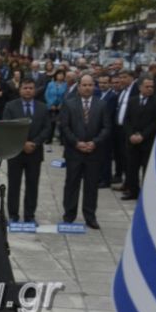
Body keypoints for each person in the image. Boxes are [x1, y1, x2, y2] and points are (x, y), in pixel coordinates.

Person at [59, 74, 112, 229]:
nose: (87, 88)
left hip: (94, 152)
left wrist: (94, 143)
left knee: (91, 185)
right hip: (74, 152)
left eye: (90, 85)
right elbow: (65, 127)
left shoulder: (101, 104)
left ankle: (90, 216)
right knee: (71, 184)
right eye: (84, 85)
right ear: (79, 86)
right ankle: (69, 214)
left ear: (93, 86)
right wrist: (76, 142)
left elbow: (106, 127)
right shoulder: (69, 104)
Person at [2, 79, 51, 224]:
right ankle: (13, 214)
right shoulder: (10, 106)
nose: (28, 90)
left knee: (32, 185)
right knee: (14, 184)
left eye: (30, 88)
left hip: (35, 153)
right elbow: (7, 127)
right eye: (25, 88)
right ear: (20, 89)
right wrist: (22, 144)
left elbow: (47, 128)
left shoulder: (42, 107)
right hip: (15, 152)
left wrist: (35, 143)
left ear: (35, 90)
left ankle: (30, 215)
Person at [122, 77, 156, 200]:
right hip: (132, 141)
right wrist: (130, 134)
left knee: (146, 169)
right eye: (147, 86)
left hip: (147, 142)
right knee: (131, 168)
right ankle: (133, 191)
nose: (150, 89)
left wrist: (142, 135)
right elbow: (127, 120)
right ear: (140, 87)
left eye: (152, 87)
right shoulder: (132, 101)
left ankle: (146, 195)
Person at [112, 69, 140, 189]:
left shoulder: (136, 90)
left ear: (131, 77)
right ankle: (120, 177)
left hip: (129, 129)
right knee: (119, 154)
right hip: (118, 127)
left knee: (128, 157)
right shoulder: (123, 90)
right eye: (120, 77)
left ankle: (130, 183)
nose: (121, 80)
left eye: (124, 77)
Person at [97, 73, 118, 188]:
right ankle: (99, 177)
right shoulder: (97, 94)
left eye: (104, 83)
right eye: (100, 83)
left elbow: (108, 115)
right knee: (99, 155)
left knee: (106, 156)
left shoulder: (112, 97)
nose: (102, 85)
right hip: (97, 130)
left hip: (106, 131)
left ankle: (106, 179)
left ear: (109, 83)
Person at [44, 69, 67, 143]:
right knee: (51, 123)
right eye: (58, 74)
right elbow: (46, 95)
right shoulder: (51, 84)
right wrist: (51, 104)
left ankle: (62, 139)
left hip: (61, 106)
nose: (60, 76)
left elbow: (66, 96)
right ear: (55, 75)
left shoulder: (66, 84)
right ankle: (49, 139)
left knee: (61, 123)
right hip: (51, 106)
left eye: (62, 74)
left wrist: (62, 104)